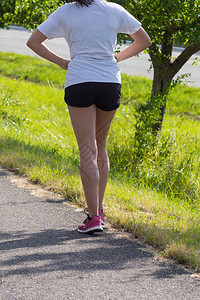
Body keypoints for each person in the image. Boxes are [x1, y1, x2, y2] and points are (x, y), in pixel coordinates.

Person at [27, 0, 151, 233]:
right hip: (109, 82)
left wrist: (63, 62)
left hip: (80, 81)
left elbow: (33, 41)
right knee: (100, 144)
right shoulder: (114, 9)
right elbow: (144, 40)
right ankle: (99, 212)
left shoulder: (65, 11)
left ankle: (93, 217)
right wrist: (117, 58)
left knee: (87, 149)